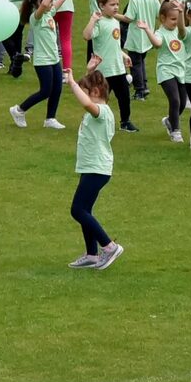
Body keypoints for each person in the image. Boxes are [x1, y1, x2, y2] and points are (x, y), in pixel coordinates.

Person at [63, 65, 122, 269]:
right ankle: (92, 254)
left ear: (95, 92)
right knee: (85, 209)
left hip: (97, 169)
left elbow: (88, 104)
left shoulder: (102, 111)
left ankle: (109, 246)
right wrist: (90, 71)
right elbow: (89, 98)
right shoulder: (99, 110)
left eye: (85, 91)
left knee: (77, 210)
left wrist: (71, 83)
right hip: (91, 168)